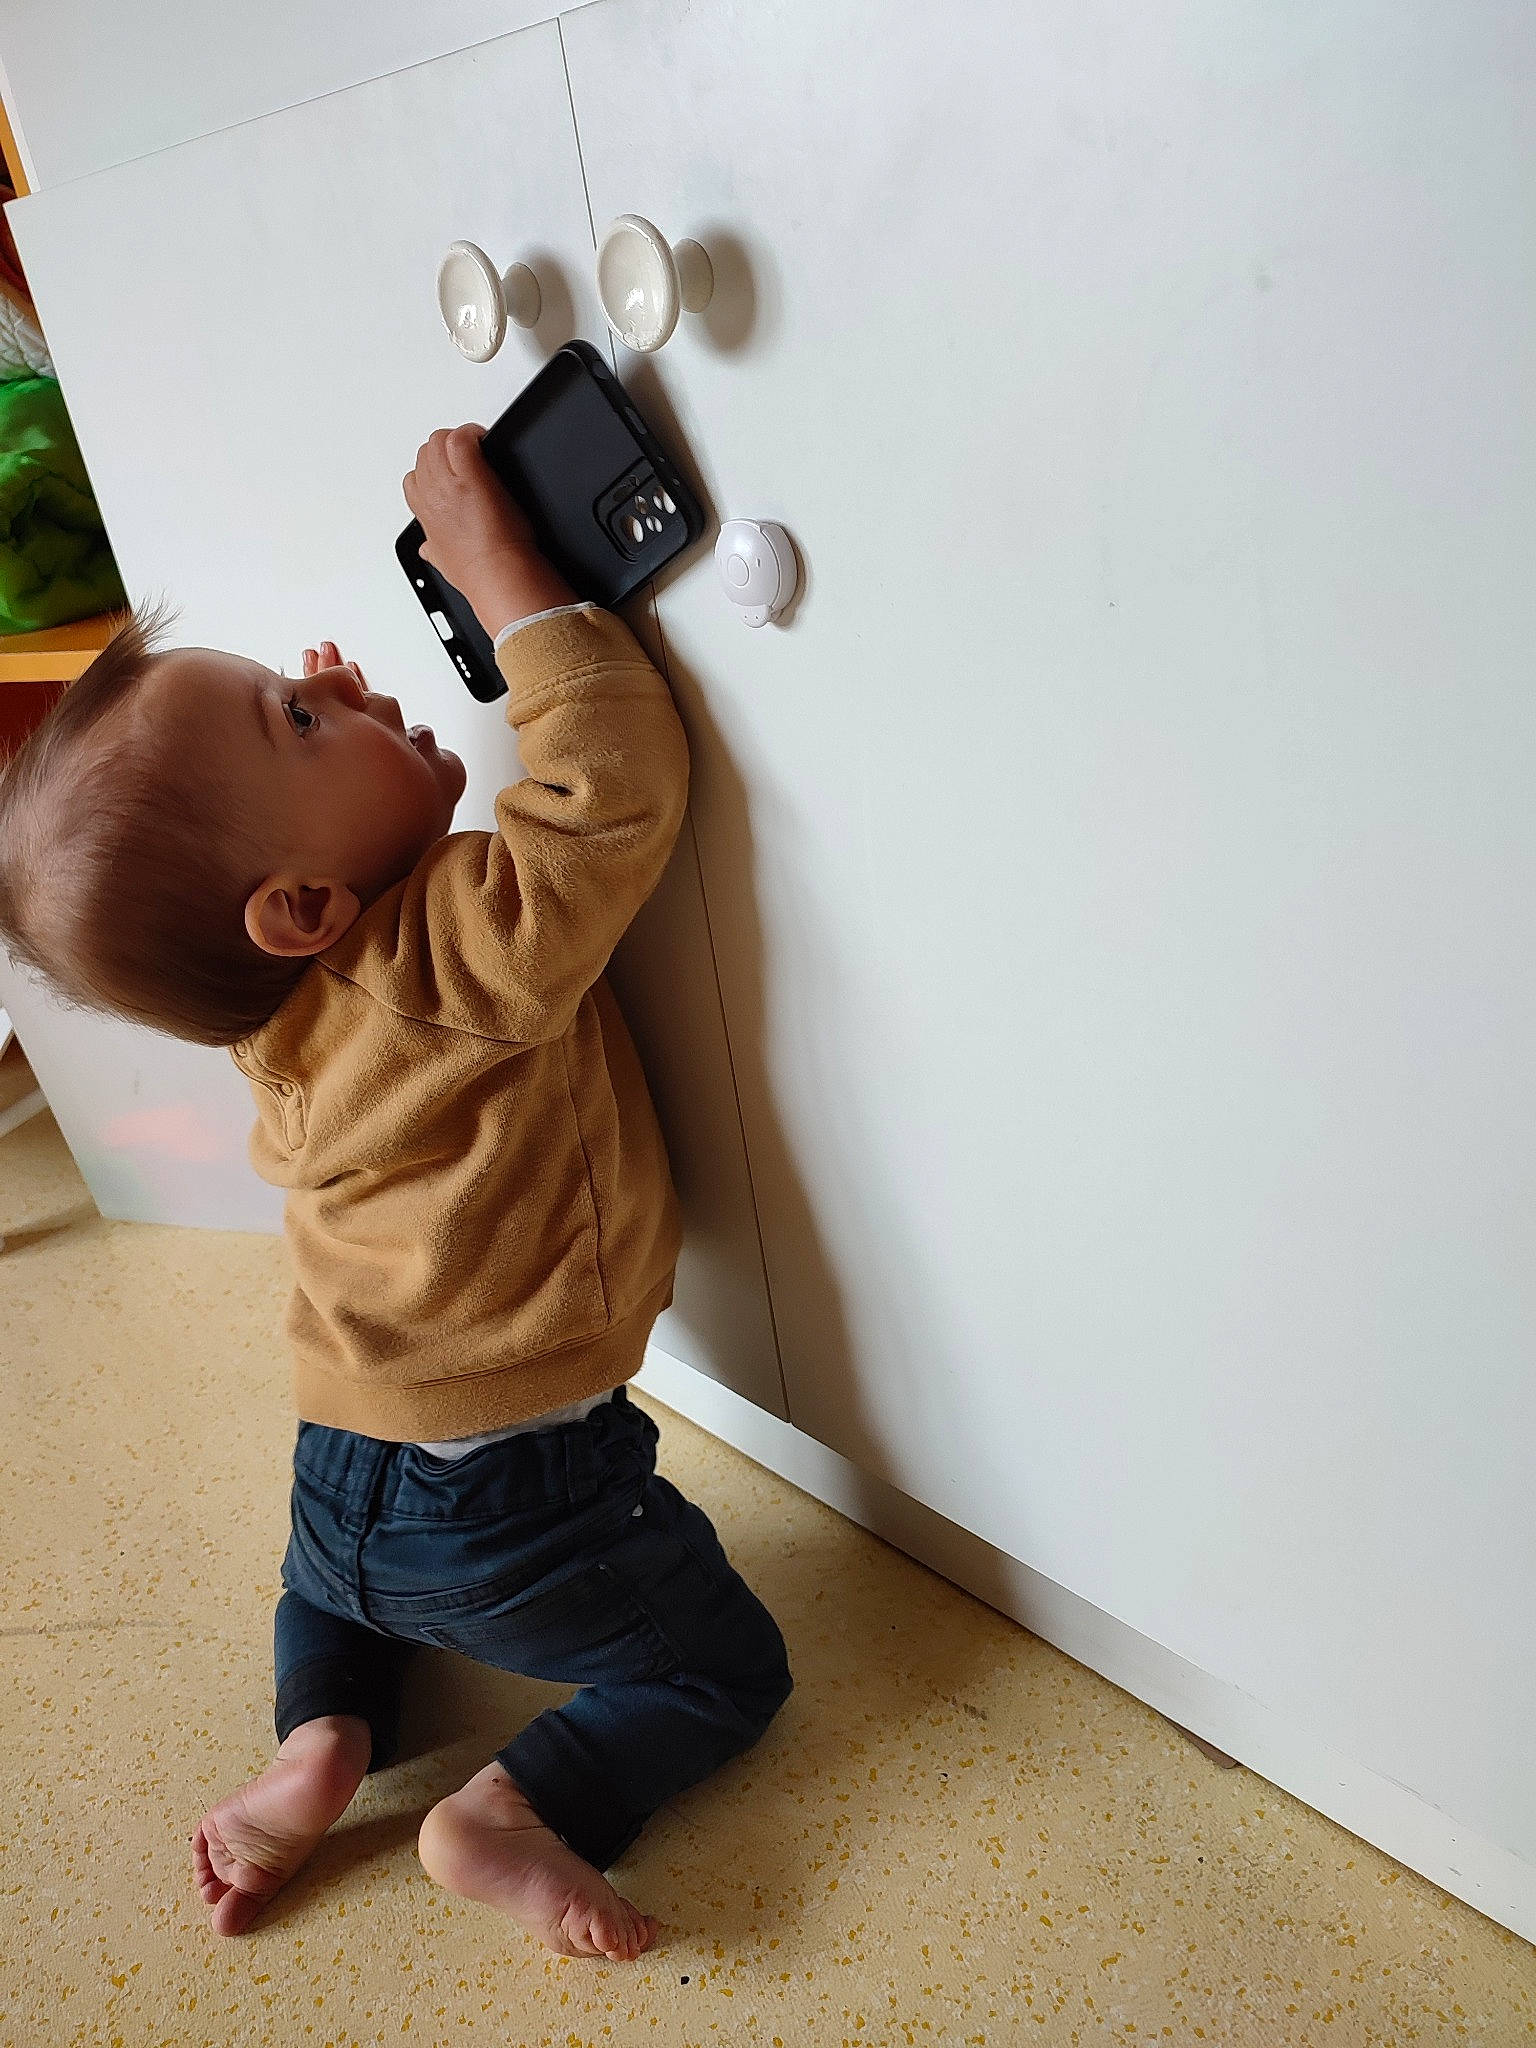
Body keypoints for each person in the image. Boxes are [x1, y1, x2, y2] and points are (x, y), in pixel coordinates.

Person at [0, 424, 793, 1961]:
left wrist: (333, 764)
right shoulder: (448, 955)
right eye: (303, 715)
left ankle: (321, 1749)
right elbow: (606, 796)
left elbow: (348, 881)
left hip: (347, 1464)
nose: (351, 681)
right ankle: (510, 1810)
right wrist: (504, 578)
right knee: (722, 1671)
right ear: (299, 907)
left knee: (345, 1593)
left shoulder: (284, 1020)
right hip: (513, 1493)